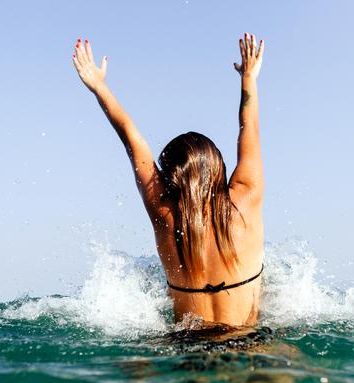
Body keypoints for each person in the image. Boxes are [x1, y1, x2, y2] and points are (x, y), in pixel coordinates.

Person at [72, 33, 265, 328]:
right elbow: (248, 128)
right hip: (248, 343)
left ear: (172, 178)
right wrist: (248, 78)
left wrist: (99, 87)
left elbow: (131, 139)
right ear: (218, 167)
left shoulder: (164, 215)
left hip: (187, 350)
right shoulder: (246, 199)